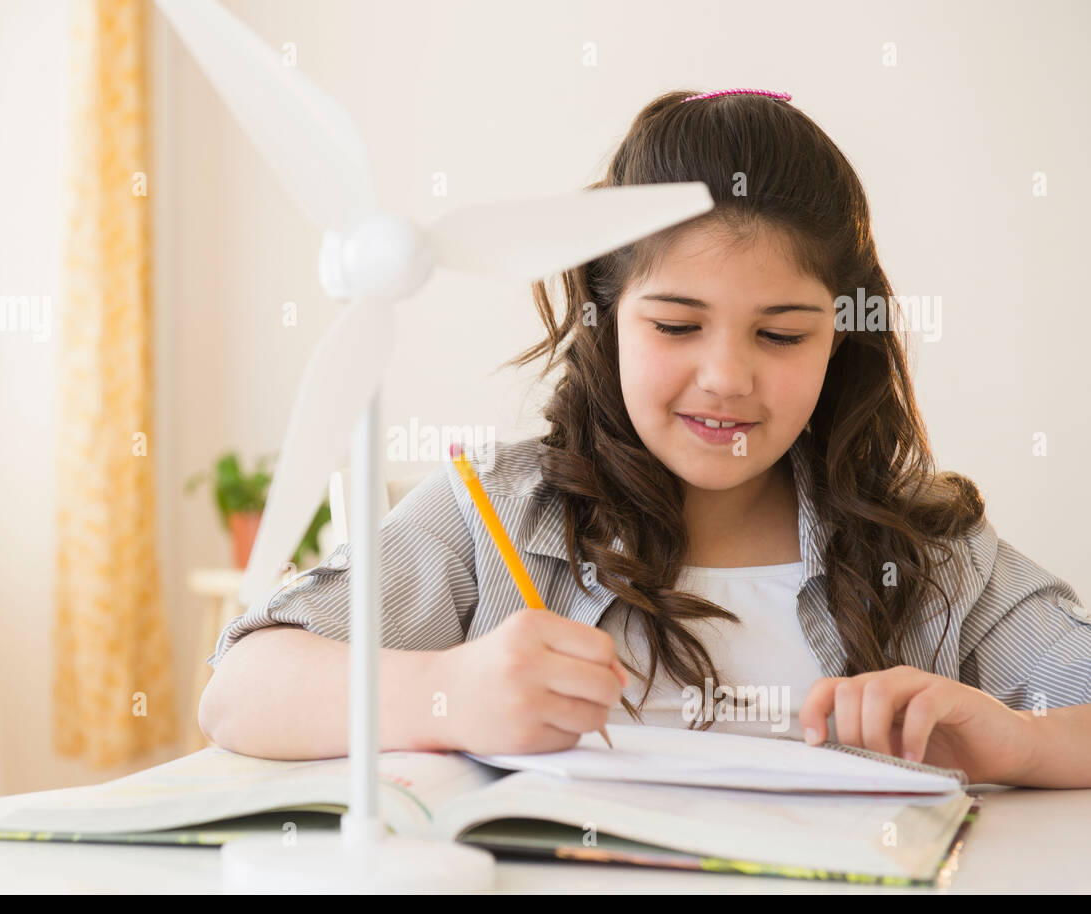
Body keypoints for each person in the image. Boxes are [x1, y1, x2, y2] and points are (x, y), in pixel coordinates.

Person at [199, 89, 1091, 787]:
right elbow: (239, 690)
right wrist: (451, 693)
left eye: (781, 335)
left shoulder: (929, 551)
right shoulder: (499, 516)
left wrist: (1019, 740)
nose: (728, 377)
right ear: (606, 316)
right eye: (675, 326)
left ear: (841, 337)